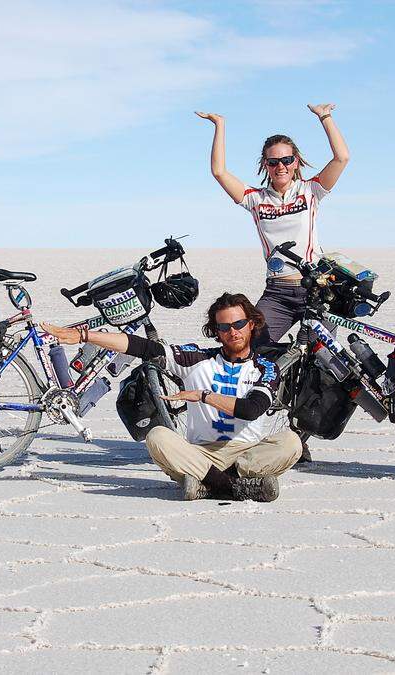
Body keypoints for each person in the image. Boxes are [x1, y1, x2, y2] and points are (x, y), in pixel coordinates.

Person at [42, 293, 301, 502]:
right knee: (157, 437)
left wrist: (204, 396)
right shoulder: (196, 359)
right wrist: (85, 335)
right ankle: (234, 488)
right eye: (224, 327)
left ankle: (209, 485)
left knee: (291, 443)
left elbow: (251, 409)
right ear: (216, 331)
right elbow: (140, 346)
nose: (233, 332)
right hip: (200, 454)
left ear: (252, 324)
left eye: (239, 324)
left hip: (247, 455)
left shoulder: (266, 369)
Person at [195, 104, 350, 348]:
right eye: (274, 161)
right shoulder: (256, 199)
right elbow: (219, 171)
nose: (281, 166)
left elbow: (341, 158)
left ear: (296, 162)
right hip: (278, 293)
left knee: (320, 360)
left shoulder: (310, 191)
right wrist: (220, 125)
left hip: (315, 291)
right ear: (265, 165)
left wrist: (325, 117)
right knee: (252, 348)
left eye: (287, 160)